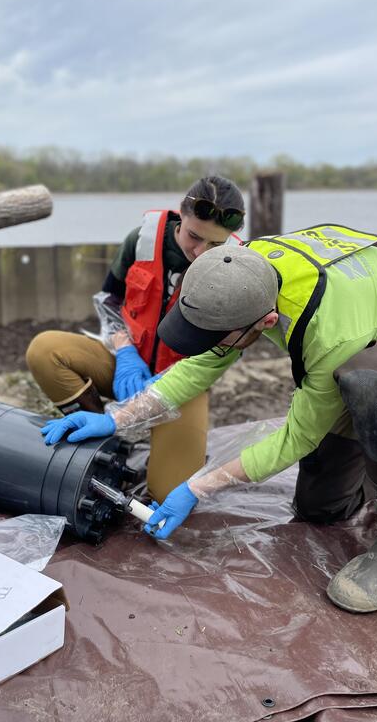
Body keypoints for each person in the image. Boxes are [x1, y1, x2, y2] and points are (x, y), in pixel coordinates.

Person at [42, 224, 377, 614]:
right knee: (321, 508)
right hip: (375, 339)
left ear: (266, 322)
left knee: (371, 383)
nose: (210, 345)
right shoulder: (244, 270)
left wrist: (197, 486)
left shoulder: (332, 333)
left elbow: (296, 437)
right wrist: (117, 420)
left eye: (221, 336)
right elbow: (203, 363)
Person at [28, 175, 245, 502]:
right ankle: (104, 441)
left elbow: (224, 349)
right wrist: (125, 353)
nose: (200, 252)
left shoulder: (238, 268)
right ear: (181, 215)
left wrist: (172, 382)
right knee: (45, 350)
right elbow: (108, 300)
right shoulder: (141, 241)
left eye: (214, 244)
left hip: (180, 385)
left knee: (167, 493)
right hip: (126, 367)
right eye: (194, 237)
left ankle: (157, 439)